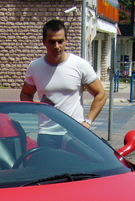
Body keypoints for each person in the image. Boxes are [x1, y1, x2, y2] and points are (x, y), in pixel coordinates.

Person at [20, 19, 107, 147]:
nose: (57, 46)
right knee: (48, 167)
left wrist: (87, 121)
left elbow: (101, 94)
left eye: (60, 41)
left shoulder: (79, 64)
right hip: (47, 133)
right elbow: (25, 94)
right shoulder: (35, 67)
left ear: (66, 40)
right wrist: (37, 109)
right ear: (44, 42)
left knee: (76, 167)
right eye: (52, 42)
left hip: (74, 131)